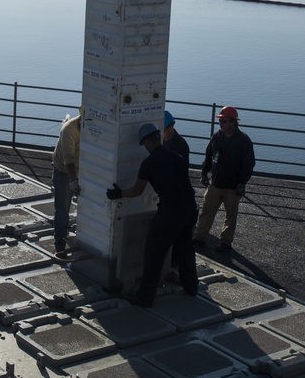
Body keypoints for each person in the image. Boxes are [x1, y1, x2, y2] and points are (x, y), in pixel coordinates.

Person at [106, 123, 199, 307]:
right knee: (186, 249)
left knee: (154, 255)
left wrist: (119, 194)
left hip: (170, 213)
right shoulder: (177, 157)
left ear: (149, 141)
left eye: (144, 144)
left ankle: (145, 297)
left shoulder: (149, 163)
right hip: (189, 209)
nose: (145, 147)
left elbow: (137, 190)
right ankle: (191, 287)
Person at [194, 106, 255, 253]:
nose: (221, 124)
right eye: (220, 121)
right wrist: (204, 173)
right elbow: (208, 156)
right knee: (206, 211)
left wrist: (242, 183)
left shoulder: (244, 141)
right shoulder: (216, 137)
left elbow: (249, 164)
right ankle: (200, 237)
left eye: (224, 121)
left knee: (230, 216)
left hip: (233, 186)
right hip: (215, 183)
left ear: (234, 122)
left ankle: (226, 242)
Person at [51, 110, 81, 253]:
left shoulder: (96, 128)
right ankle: (60, 244)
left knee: (86, 208)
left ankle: (83, 239)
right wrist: (73, 180)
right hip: (64, 170)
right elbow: (68, 160)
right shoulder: (70, 129)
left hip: (84, 170)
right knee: (63, 209)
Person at [163, 110, 191, 179]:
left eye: (162, 129)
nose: (159, 133)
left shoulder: (180, 146)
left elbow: (180, 171)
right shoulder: (162, 139)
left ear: (170, 128)